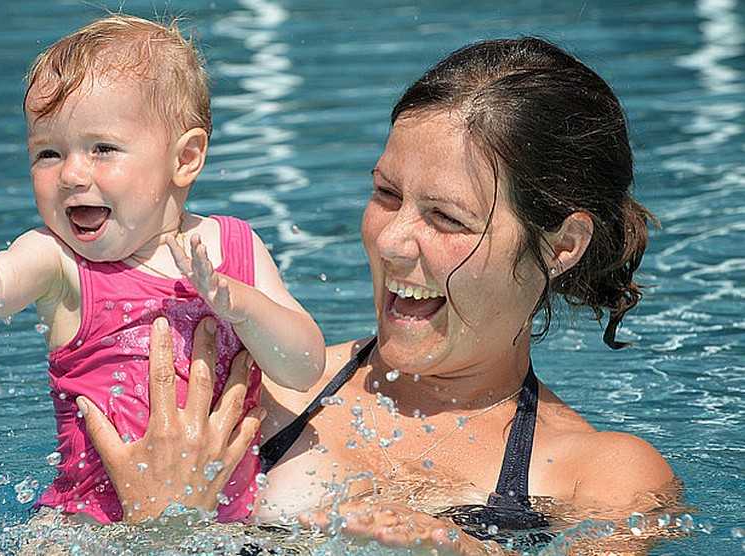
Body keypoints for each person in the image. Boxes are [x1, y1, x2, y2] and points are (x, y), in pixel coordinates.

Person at [80, 36, 678, 552]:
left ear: (562, 245)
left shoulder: (602, 480)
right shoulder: (250, 391)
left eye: (446, 218)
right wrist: (155, 529)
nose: (391, 241)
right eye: (386, 195)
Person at [0, 14, 325, 525]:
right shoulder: (58, 260)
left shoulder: (233, 247)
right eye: (48, 153)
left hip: (223, 524)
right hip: (87, 526)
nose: (73, 175)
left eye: (102, 149)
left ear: (185, 158)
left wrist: (242, 306)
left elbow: (302, 365)